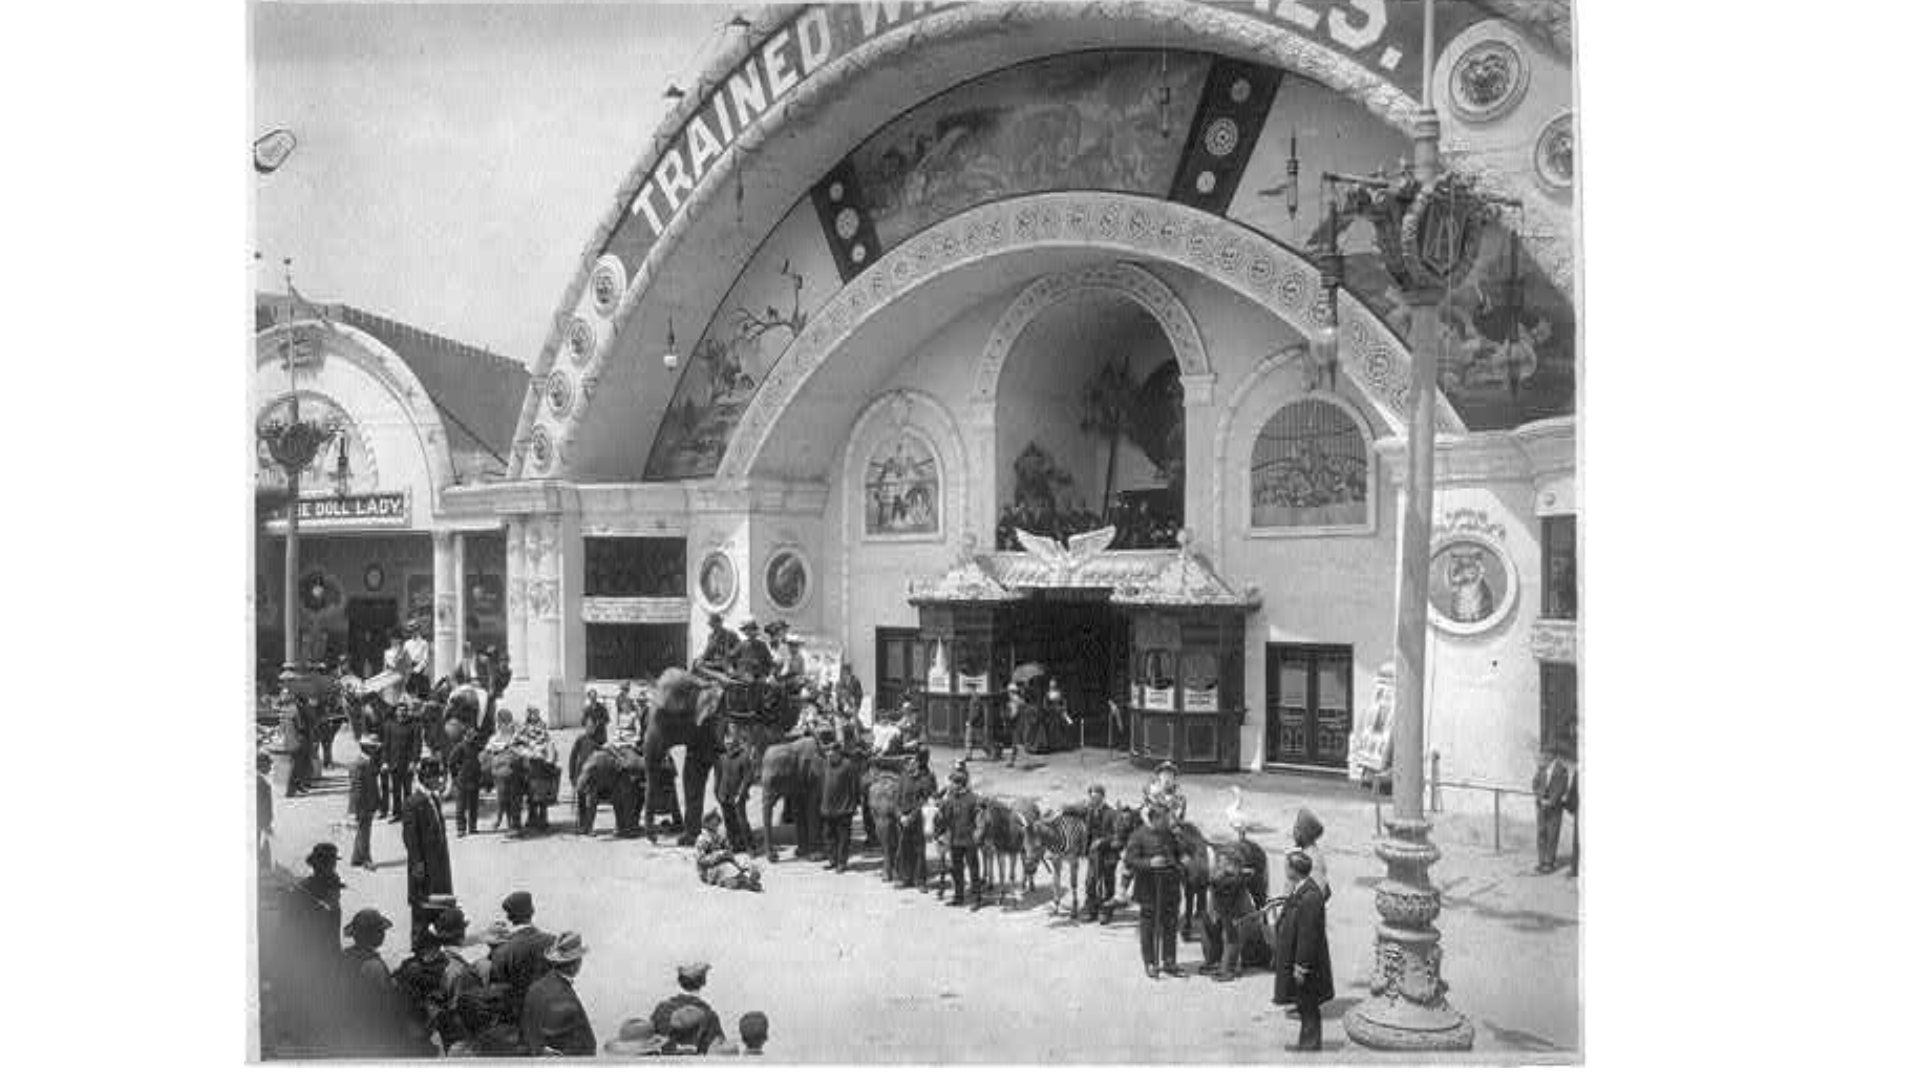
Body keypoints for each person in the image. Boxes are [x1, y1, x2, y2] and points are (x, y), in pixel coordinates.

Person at [1271, 851, 1333, 1051]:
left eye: (1287, 866)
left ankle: (1310, 1046)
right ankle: (1306, 1043)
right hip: (1299, 958)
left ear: (1295, 870)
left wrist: (1301, 966)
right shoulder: (1302, 889)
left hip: (1307, 964)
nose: (1285, 870)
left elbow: (1308, 935)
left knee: (1308, 1005)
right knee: (1304, 1003)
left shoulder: (1310, 896)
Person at [1124, 802, 1184, 979]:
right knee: (1148, 927)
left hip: (1170, 887)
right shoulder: (1138, 835)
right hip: (1149, 889)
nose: (1167, 822)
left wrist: (1181, 858)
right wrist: (1149, 863)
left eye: (1167, 818)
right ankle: (1150, 962)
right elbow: (1130, 859)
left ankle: (1169, 960)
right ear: (1154, 819)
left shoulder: (1169, 834)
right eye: (1164, 819)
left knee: (1171, 925)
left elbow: (1178, 853)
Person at [337, 908, 405, 1056]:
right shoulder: (374, 966)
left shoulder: (343, 958)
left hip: (346, 1033)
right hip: (371, 1037)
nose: (383, 934)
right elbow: (386, 1007)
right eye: (380, 931)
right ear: (375, 935)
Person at [402, 758, 454, 947]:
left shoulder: (433, 799)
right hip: (424, 863)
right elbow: (410, 838)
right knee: (421, 904)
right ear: (427, 779)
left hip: (438, 860)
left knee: (438, 898)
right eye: (436, 778)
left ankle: (439, 936)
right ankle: (418, 942)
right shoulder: (413, 802)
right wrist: (418, 864)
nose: (439, 781)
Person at [521, 932, 596, 1056]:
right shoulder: (565, 997)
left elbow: (530, 1030)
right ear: (577, 963)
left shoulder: (536, 987)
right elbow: (580, 1043)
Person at [488, 891, 555, 1026]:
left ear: (509, 917)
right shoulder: (553, 942)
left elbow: (497, 995)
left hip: (519, 1024)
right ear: (532, 911)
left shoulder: (502, 951)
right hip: (551, 1020)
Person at [1065, 783, 1122, 923]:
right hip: (1093, 854)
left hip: (1109, 853)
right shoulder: (1088, 812)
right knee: (1090, 881)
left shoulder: (1112, 813)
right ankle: (1091, 908)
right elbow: (1073, 814)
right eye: (1091, 797)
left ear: (1103, 797)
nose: (1094, 800)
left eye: (1097, 797)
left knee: (1108, 881)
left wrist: (1102, 841)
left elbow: (1118, 836)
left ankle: (1106, 910)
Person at [648, 962, 725, 1053]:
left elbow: (647, 1042)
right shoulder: (710, 1016)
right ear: (704, 982)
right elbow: (718, 1052)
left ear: (679, 981)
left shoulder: (660, 1010)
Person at [935, 768, 983, 909]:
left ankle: (976, 899)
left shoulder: (973, 799)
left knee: (973, 870)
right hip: (955, 840)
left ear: (960, 784)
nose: (950, 786)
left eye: (952, 784)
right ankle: (959, 896)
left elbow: (980, 819)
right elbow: (944, 818)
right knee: (957, 869)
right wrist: (939, 831)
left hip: (969, 841)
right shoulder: (950, 799)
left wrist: (978, 833)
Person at [1533, 738, 1578, 876]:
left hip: (1554, 807)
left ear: (1553, 755)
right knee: (1541, 833)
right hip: (1541, 806)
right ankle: (1541, 861)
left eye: (1547, 753)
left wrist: (1551, 801)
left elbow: (1562, 787)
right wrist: (1540, 798)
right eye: (1544, 753)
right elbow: (1535, 783)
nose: (1544, 756)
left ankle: (1549, 863)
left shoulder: (1561, 770)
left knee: (1552, 835)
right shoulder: (1542, 768)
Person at [818, 733, 861, 873]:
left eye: (832, 751)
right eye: (827, 751)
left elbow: (854, 787)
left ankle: (842, 863)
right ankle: (833, 860)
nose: (829, 754)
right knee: (828, 835)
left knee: (843, 837)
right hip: (827, 808)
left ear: (838, 752)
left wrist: (854, 805)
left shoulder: (848, 766)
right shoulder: (825, 765)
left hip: (844, 808)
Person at [896, 747, 937, 890]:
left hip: (918, 820)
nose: (909, 763)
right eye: (908, 761)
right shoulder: (903, 777)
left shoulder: (925, 779)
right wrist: (900, 815)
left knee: (920, 851)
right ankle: (905, 879)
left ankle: (921, 881)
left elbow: (925, 802)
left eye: (912, 760)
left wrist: (910, 817)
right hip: (903, 819)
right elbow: (897, 799)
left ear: (918, 763)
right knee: (904, 849)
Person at [516, 709, 561, 834]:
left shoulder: (543, 727)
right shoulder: (523, 728)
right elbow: (518, 742)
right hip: (529, 764)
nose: (533, 716)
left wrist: (545, 753)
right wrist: (527, 749)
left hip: (542, 765)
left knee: (542, 794)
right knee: (530, 794)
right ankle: (531, 818)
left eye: (535, 714)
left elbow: (548, 741)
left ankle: (543, 819)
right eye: (531, 714)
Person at [695, 809, 763, 890]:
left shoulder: (718, 835)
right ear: (706, 823)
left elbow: (727, 847)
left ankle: (749, 874)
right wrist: (718, 855)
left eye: (717, 822)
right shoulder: (702, 839)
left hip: (723, 861)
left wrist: (727, 849)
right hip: (708, 870)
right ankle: (742, 882)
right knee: (726, 868)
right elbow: (701, 860)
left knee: (739, 860)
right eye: (713, 821)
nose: (716, 824)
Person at [714, 730, 755, 854]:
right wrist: (717, 793)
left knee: (742, 821)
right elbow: (718, 777)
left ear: (735, 742)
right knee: (728, 821)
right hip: (724, 794)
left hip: (738, 795)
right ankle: (734, 845)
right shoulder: (722, 758)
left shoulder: (743, 757)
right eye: (726, 741)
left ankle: (750, 846)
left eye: (730, 741)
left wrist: (740, 794)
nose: (728, 744)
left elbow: (748, 778)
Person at [347, 733, 384, 868]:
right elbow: (356, 788)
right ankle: (366, 859)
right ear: (366, 748)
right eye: (373, 748)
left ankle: (356, 858)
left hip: (367, 802)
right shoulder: (359, 765)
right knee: (364, 832)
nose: (375, 750)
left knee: (363, 830)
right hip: (362, 803)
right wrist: (355, 808)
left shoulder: (366, 762)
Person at [444, 717, 484, 838]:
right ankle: (461, 829)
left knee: (473, 805)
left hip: (475, 780)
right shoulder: (460, 747)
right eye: (471, 735)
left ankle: (472, 827)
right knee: (461, 806)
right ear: (465, 735)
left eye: (474, 735)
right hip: (462, 780)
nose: (473, 737)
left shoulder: (477, 747)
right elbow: (451, 762)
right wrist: (456, 776)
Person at [485, 709, 524, 834]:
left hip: (514, 772)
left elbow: (521, 749)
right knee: (503, 798)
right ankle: (508, 823)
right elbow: (489, 750)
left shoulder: (516, 736)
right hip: (499, 773)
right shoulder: (495, 737)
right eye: (502, 722)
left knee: (514, 799)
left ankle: (515, 825)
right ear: (499, 723)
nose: (505, 725)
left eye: (507, 722)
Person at [383, 702, 421, 822]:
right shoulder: (389, 725)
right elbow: (386, 745)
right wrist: (385, 761)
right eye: (400, 710)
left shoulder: (414, 726)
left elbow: (417, 745)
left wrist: (414, 761)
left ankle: (408, 814)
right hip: (394, 763)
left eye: (404, 710)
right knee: (395, 790)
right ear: (396, 712)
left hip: (407, 764)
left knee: (408, 790)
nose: (402, 712)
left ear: (407, 712)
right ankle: (397, 814)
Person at [1291, 808, 1330, 899]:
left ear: (1305, 834)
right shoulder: (1306, 852)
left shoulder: (1312, 858)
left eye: (1297, 829)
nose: (1294, 833)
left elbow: (1318, 893)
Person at [1146, 760, 1188, 824]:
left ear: (1174, 779)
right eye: (1164, 775)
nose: (1167, 779)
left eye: (1170, 775)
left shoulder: (1180, 798)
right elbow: (1147, 814)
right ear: (1159, 778)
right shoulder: (1152, 795)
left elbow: (1179, 816)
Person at [403, 622, 433, 698]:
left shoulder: (424, 643)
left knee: (422, 693)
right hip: (409, 670)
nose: (413, 633)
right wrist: (408, 669)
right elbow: (404, 657)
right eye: (411, 631)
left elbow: (425, 659)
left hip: (420, 670)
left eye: (415, 630)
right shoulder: (407, 643)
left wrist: (417, 669)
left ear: (418, 631)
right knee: (408, 692)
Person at [256, 751, 275, 865]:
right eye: (269, 765)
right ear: (261, 764)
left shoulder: (258, 779)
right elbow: (262, 806)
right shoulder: (260, 782)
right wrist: (265, 824)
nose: (270, 768)